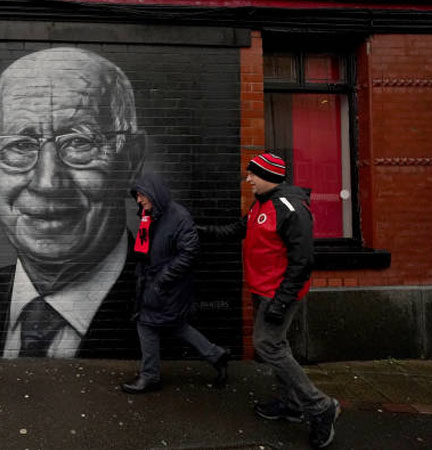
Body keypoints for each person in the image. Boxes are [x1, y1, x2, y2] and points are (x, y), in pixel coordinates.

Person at [0, 47, 145, 359]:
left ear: (131, 161)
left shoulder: (172, 311)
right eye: (20, 145)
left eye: (80, 142)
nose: (47, 183)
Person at [199, 153, 341, 448]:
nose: (247, 178)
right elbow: (239, 230)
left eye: (252, 174)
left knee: (267, 344)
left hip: (279, 293)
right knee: (277, 345)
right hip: (262, 289)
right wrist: (202, 232)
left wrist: (280, 302)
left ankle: (320, 406)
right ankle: (290, 404)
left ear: (268, 176)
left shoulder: (291, 209)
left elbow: (302, 262)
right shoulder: (260, 204)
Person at [122, 172, 230, 394]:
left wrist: (163, 278)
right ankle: (216, 355)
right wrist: (144, 220)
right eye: (138, 196)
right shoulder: (150, 214)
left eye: (142, 195)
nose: (139, 200)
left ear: (154, 193)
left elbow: (190, 253)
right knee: (174, 326)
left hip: (167, 286)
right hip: (152, 282)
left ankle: (150, 375)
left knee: (146, 324)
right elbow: (142, 250)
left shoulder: (179, 217)